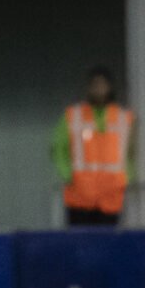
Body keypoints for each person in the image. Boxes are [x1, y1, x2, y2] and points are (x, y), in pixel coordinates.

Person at [51, 66, 135, 226]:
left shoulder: (124, 117)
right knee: (80, 241)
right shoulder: (73, 115)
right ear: (88, 88)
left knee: (107, 243)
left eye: (102, 85)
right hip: (80, 194)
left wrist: (126, 177)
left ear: (110, 88)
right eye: (95, 85)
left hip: (111, 194)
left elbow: (132, 151)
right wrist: (67, 173)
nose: (98, 89)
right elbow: (57, 147)